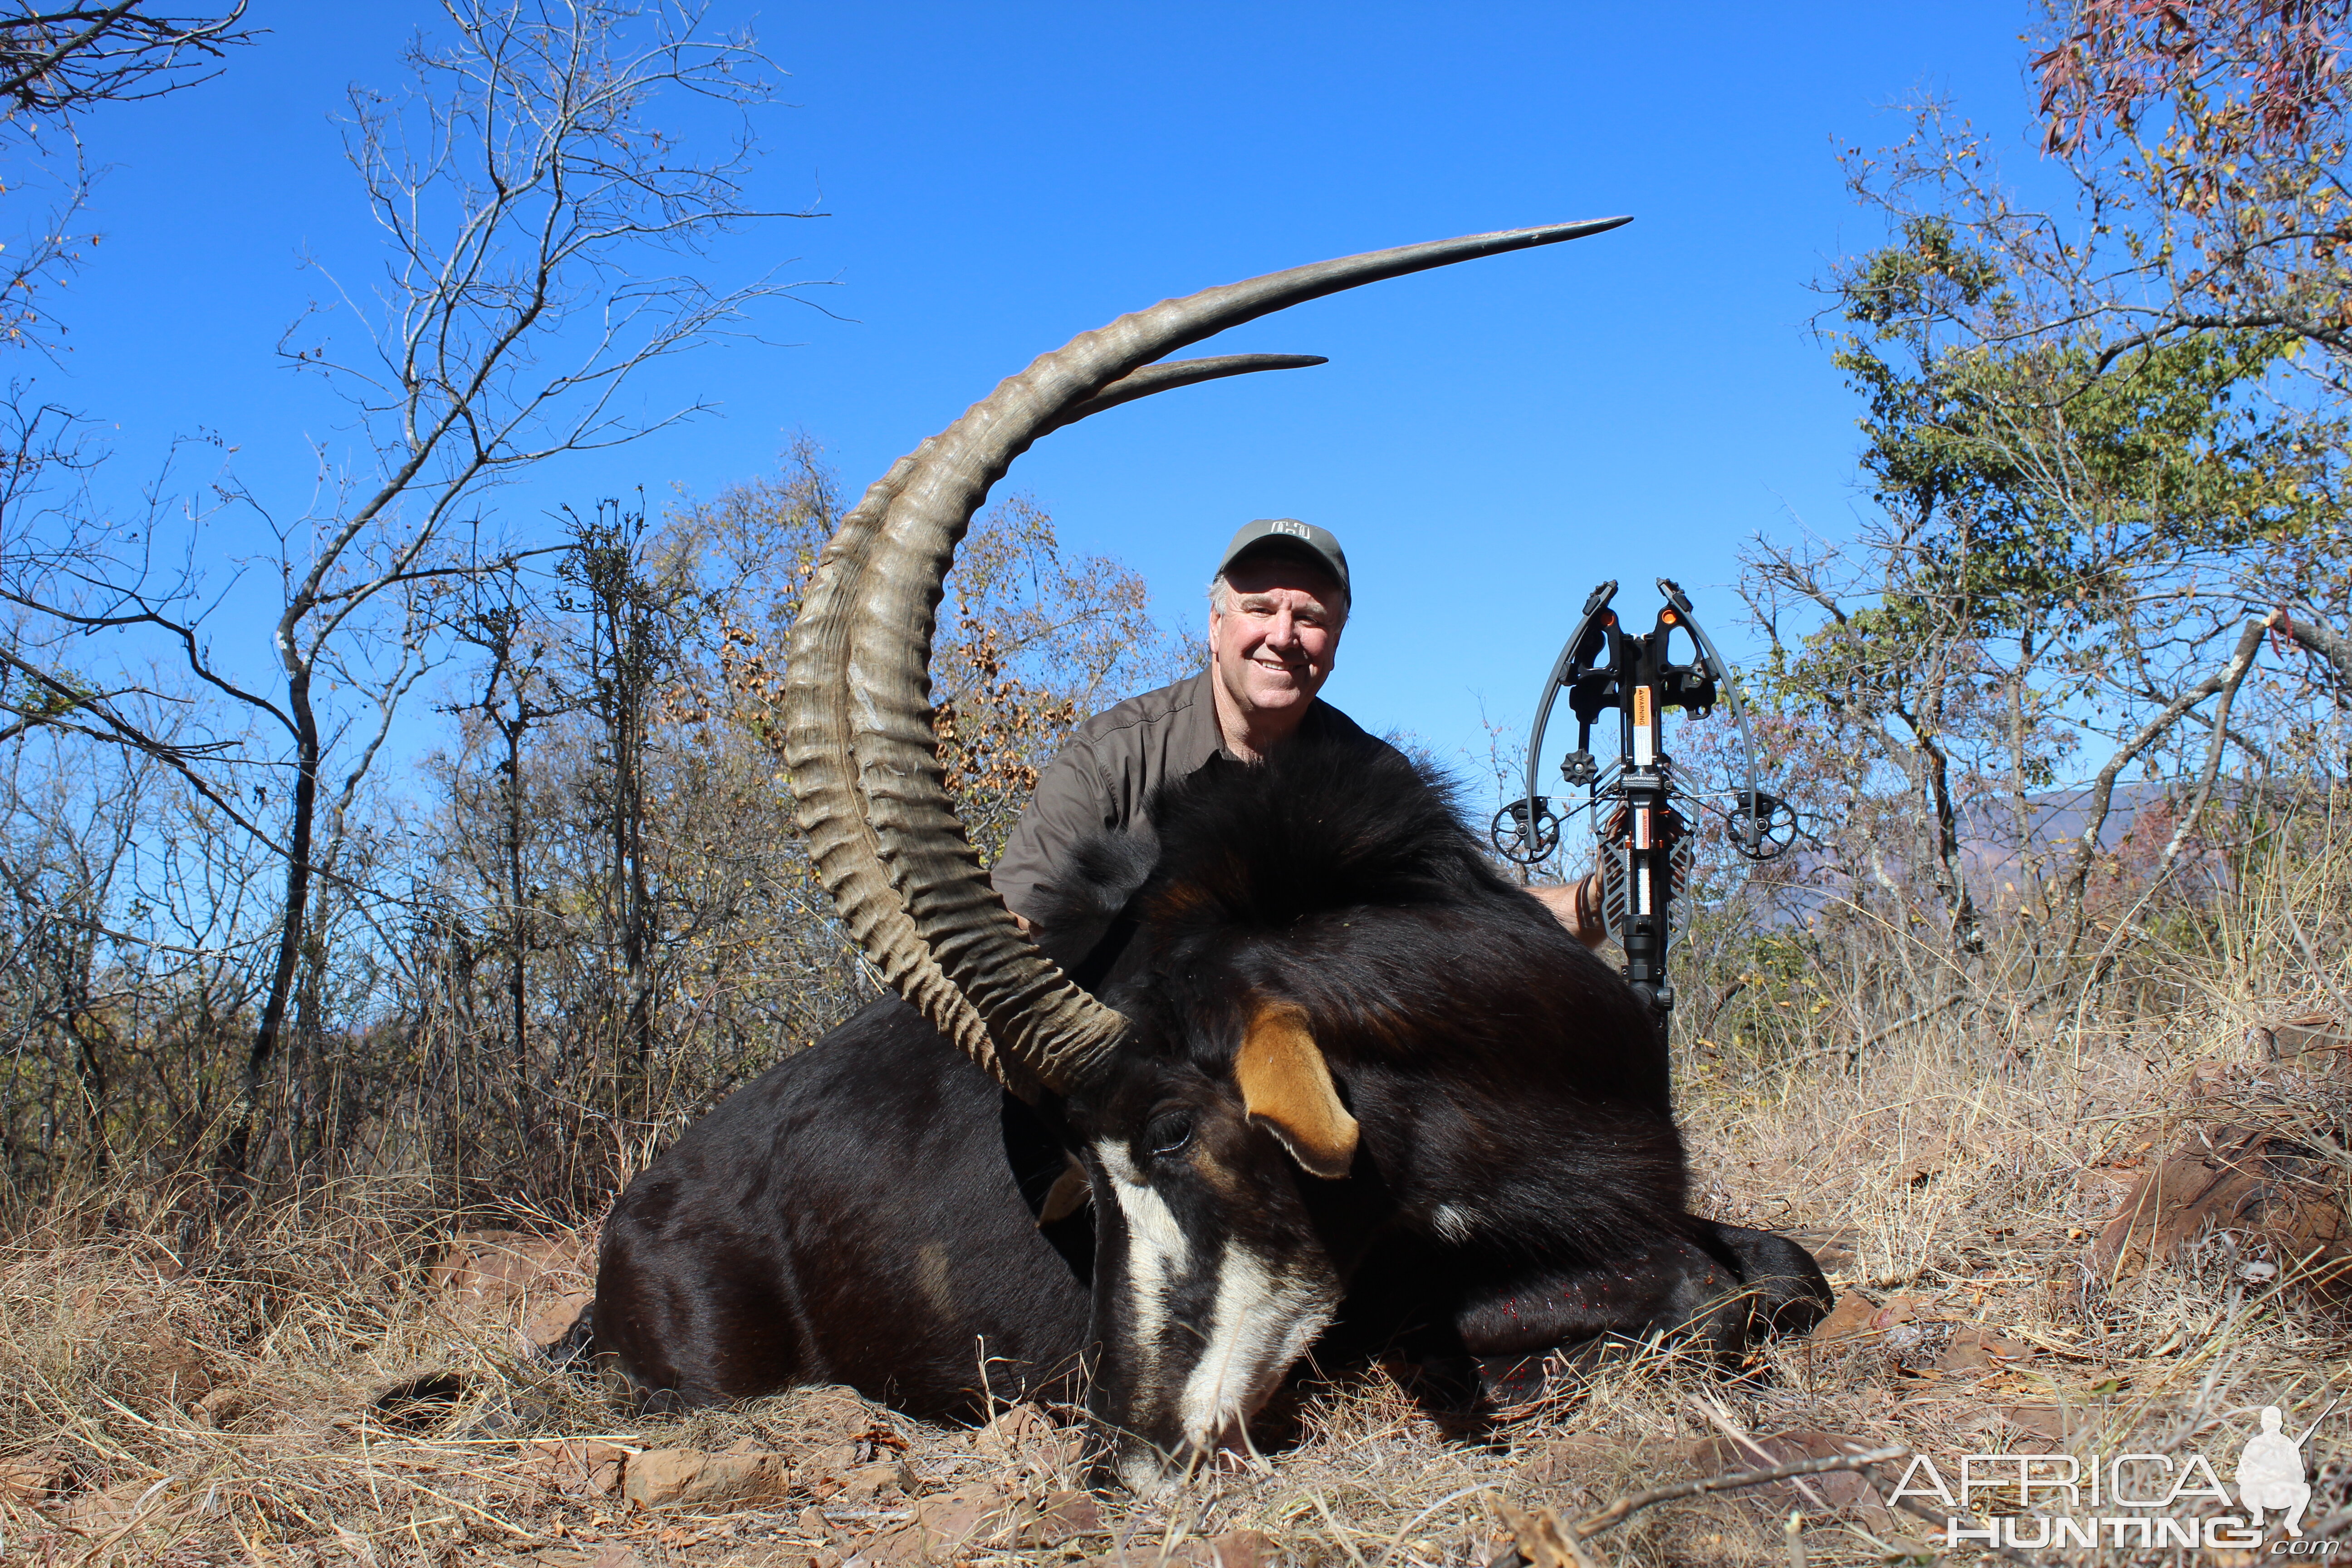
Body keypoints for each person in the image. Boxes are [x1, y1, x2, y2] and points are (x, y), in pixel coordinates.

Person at [990, 517, 1605, 944]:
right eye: (1259, 609)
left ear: (1336, 640)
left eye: (1309, 617)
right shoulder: (1112, 757)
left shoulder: (1375, 779)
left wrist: (1598, 901)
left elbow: (1474, 924)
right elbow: (1012, 931)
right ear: (1214, 626)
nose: (1282, 637)